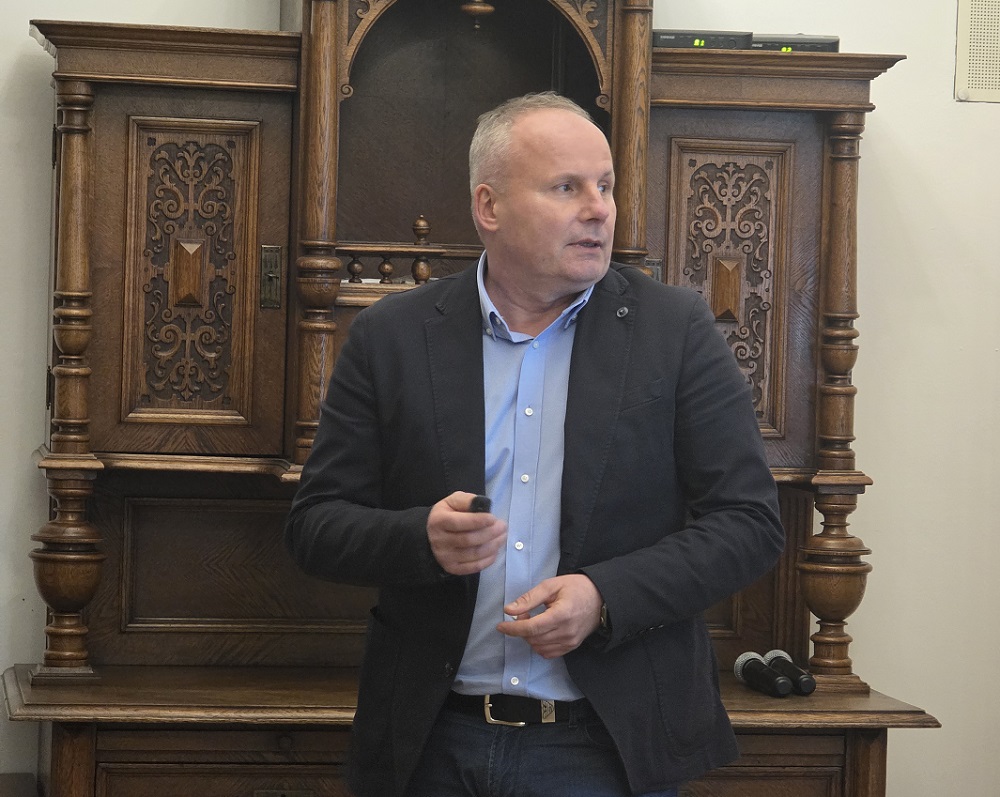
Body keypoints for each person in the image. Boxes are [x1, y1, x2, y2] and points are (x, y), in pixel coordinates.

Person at [285, 91, 784, 797]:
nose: (599, 209)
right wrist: (420, 538)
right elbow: (315, 525)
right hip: (431, 740)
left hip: (604, 744)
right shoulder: (391, 337)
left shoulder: (674, 331)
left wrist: (604, 597)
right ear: (489, 207)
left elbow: (749, 523)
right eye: (566, 187)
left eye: (605, 186)